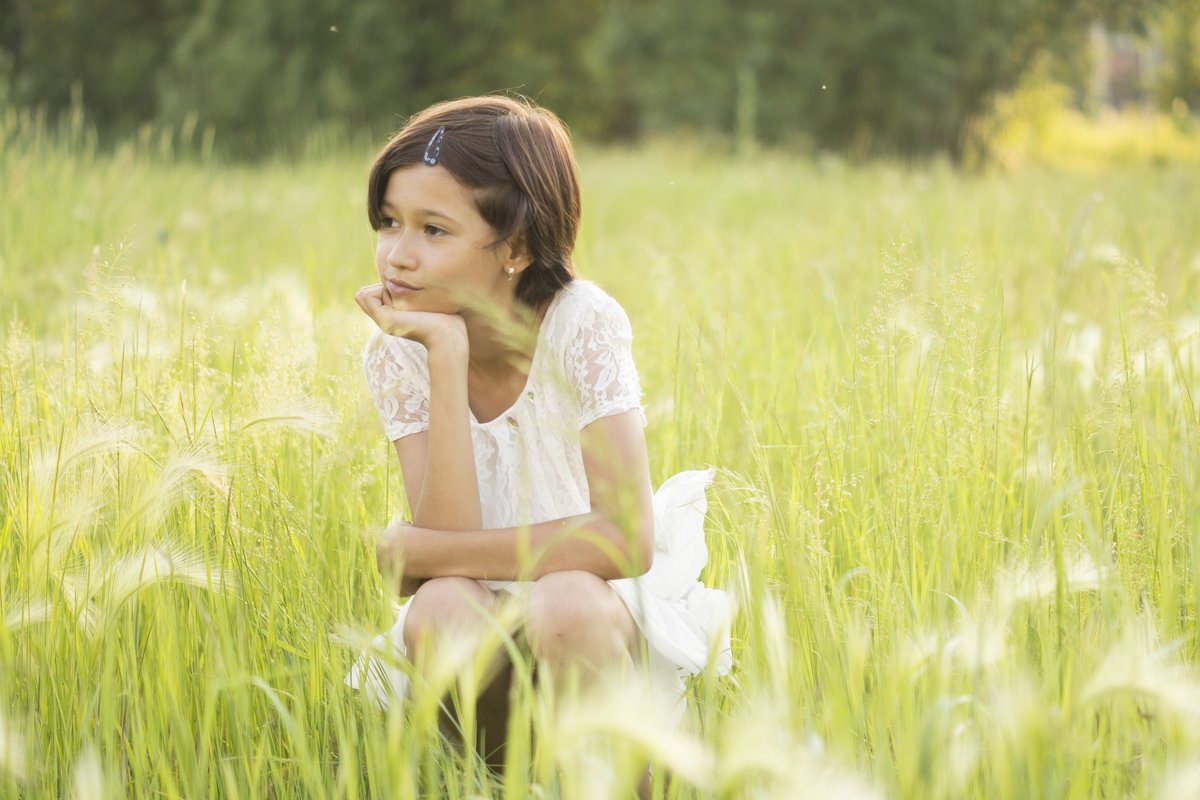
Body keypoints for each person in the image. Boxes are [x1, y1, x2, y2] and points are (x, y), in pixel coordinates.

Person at [344, 95, 731, 780]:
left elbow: (626, 539)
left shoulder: (581, 323)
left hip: (597, 614)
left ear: (516, 247)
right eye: (388, 223)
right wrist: (444, 353)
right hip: (481, 616)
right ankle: (507, 782)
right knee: (439, 607)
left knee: (565, 600)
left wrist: (420, 550)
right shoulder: (400, 350)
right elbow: (445, 565)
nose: (396, 256)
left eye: (434, 230)